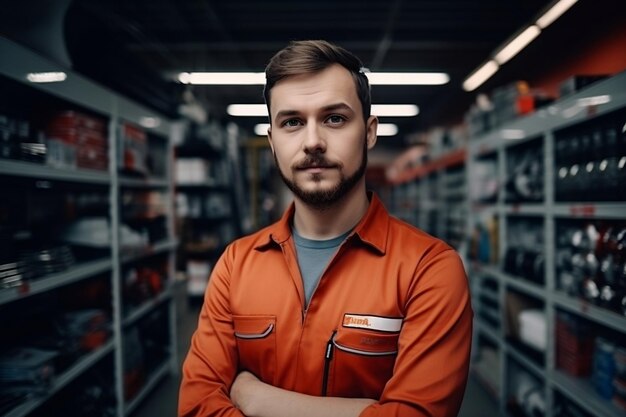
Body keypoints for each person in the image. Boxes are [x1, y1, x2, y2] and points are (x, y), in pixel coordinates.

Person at [178, 40, 473, 417]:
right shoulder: (236, 265)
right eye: (292, 122)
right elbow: (196, 406)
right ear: (272, 142)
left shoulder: (429, 269)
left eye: (334, 118)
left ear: (368, 132)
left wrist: (257, 399)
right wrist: (363, 410)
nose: (313, 142)